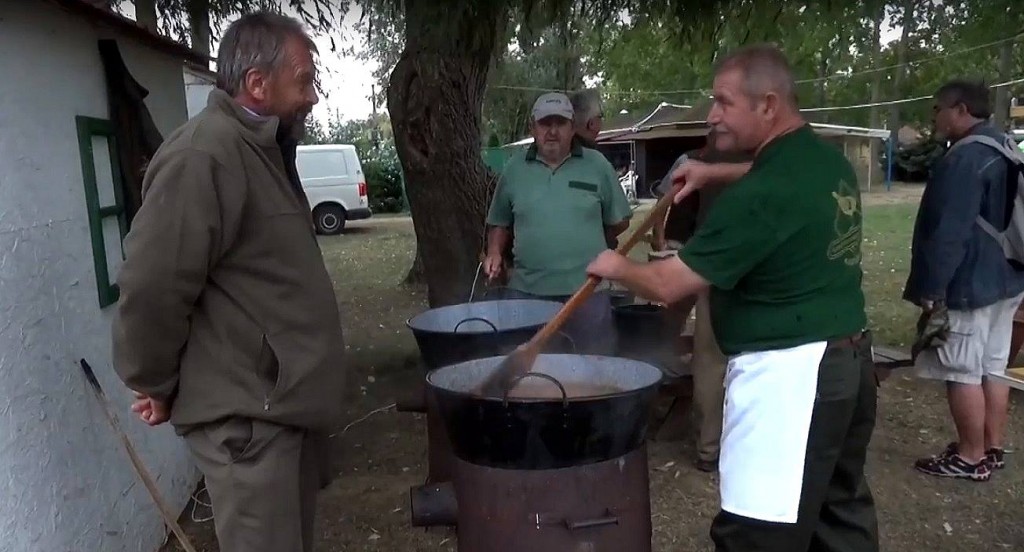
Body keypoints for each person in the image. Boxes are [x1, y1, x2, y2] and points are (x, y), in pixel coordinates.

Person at [586, 44, 878, 551]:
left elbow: (668, 285)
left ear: (768, 105)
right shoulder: (826, 163)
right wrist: (711, 171)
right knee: (836, 518)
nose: (713, 115)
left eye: (723, 102)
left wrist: (613, 265)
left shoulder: (757, 200)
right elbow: (778, 177)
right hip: (848, 363)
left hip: (790, 378)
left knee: (753, 533)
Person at [110, 13, 346, 552]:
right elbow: (153, 285)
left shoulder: (262, 149)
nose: (312, 97)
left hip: (281, 410)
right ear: (258, 84)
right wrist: (154, 382)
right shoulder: (205, 154)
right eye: (304, 80)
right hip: (247, 423)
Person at [904, 79, 1024, 481]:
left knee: (961, 370)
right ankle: (991, 448)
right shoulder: (1005, 146)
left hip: (971, 282)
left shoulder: (965, 159)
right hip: (1007, 279)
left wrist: (933, 291)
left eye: (938, 109)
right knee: (993, 366)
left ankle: (970, 457)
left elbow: (948, 231)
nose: (934, 117)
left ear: (959, 110)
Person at [484, 92, 632, 355]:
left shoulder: (597, 165)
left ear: (573, 127)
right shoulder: (514, 169)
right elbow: (500, 223)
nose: (552, 131)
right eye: (545, 123)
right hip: (525, 294)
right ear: (533, 127)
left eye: (560, 123)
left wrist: (589, 241)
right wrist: (495, 252)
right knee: (524, 375)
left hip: (586, 293)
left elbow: (619, 222)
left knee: (595, 370)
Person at [649, 131, 754, 473]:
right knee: (732, 362)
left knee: (711, 362)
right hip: (750, 273)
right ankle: (725, 446)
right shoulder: (767, 163)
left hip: (718, 272)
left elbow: (678, 225)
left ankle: (710, 448)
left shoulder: (701, 163)